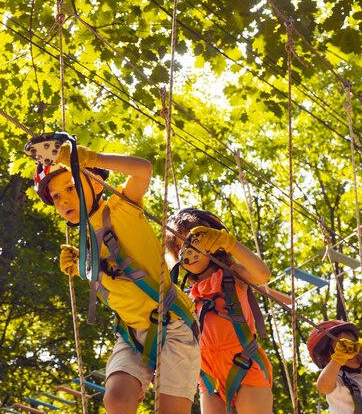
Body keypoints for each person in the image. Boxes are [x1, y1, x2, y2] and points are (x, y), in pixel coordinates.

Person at [31, 137, 200, 414]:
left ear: (96, 183)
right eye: (57, 197)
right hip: (132, 333)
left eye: (71, 187)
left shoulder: (121, 208)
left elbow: (143, 169)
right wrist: (83, 268)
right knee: (116, 400)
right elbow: (118, 286)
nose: (63, 200)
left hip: (173, 325)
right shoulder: (86, 241)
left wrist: (90, 159)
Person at [163, 209, 273, 414]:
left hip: (244, 363)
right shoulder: (185, 294)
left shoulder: (232, 275)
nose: (187, 252)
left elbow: (262, 274)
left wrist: (229, 242)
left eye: (193, 243)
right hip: (207, 373)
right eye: (179, 247)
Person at [308, 320, 362, 414]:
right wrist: (338, 359)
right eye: (342, 347)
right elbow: (323, 386)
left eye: (353, 345)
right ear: (327, 359)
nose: (350, 352)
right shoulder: (337, 380)